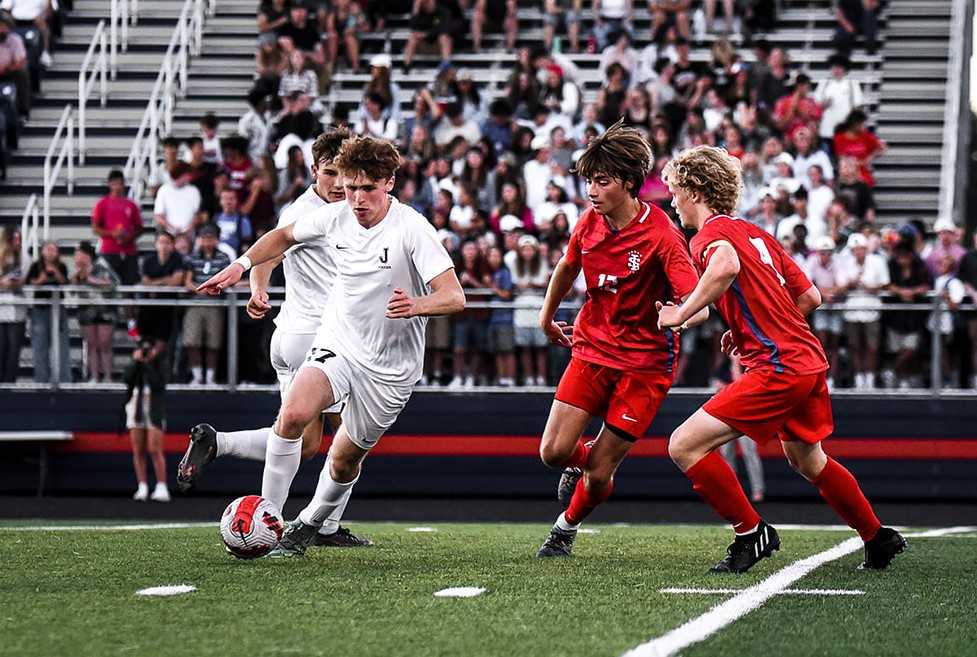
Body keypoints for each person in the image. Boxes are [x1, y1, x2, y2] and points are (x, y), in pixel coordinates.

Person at [194, 134, 465, 557]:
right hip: (337, 342)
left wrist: (417, 304)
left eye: (367, 189)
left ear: (389, 183)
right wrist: (241, 266)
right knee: (294, 414)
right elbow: (281, 237)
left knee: (342, 460)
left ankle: (313, 522)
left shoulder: (412, 228)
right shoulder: (334, 216)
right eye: (352, 186)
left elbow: (455, 296)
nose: (357, 198)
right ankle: (269, 518)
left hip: (391, 369)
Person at [657, 145, 906, 573]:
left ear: (695, 190)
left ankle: (750, 532)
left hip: (779, 367)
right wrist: (746, 328)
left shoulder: (709, 237)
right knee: (808, 460)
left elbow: (725, 267)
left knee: (683, 444)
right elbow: (810, 296)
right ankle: (876, 537)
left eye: (675, 191)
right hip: (807, 360)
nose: (673, 201)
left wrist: (680, 314)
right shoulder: (756, 233)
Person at [178, 129, 373, 546]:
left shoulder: (314, 209)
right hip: (321, 340)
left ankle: (220, 443)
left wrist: (258, 288)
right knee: (351, 433)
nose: (339, 183)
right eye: (331, 173)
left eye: (345, 174)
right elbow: (276, 245)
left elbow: (271, 249)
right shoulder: (312, 211)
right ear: (314, 170)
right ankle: (322, 526)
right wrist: (255, 282)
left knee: (302, 442)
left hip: (290, 337)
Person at [534, 120, 701, 557]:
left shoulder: (663, 234)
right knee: (554, 453)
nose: (591, 189)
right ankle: (583, 457)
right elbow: (568, 267)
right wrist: (546, 316)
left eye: (602, 181)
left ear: (630, 183)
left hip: (646, 364)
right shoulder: (589, 221)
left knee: (600, 469)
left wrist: (678, 316)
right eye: (588, 180)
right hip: (592, 347)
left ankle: (564, 529)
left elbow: (698, 301)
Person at [182, 224, 232, 385]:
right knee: (192, 340)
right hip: (195, 302)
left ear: (216, 240)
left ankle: (210, 376)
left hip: (215, 303)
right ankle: (196, 375)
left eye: (210, 238)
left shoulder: (223, 258)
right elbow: (187, 281)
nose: (207, 242)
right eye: (204, 238)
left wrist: (213, 288)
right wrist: (199, 289)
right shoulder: (192, 257)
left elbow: (227, 280)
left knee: (213, 342)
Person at [124, 338, 170, 502]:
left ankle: (161, 485)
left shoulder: (160, 364)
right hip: (136, 404)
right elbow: (127, 379)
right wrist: (137, 362)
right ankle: (142, 485)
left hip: (153, 406)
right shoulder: (136, 365)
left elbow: (158, 383)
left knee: (154, 448)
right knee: (138, 449)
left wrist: (147, 363)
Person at [71, 241, 120, 384]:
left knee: (104, 343)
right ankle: (94, 377)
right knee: (92, 344)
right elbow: (72, 290)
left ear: (88, 255)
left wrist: (92, 280)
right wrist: (76, 279)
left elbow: (114, 283)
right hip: (87, 311)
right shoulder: (77, 270)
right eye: (76, 254)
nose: (78, 257)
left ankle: (108, 377)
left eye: (80, 254)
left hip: (105, 310)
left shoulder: (102, 264)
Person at [26, 240, 70, 383]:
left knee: (61, 346)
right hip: (40, 309)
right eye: (48, 249)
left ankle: (63, 379)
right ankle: (41, 380)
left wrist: (56, 272)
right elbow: (29, 282)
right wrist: (41, 279)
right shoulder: (35, 266)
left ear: (57, 253)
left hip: (58, 310)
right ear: (42, 251)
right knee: (40, 346)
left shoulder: (62, 266)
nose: (51, 252)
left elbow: (65, 282)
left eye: (54, 249)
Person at [0, 225, 25, 382]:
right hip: (1, 308)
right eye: (15, 238)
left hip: (17, 310)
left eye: (19, 238)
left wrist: (14, 284)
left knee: (14, 350)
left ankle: (10, 383)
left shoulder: (23, 257)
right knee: (1, 348)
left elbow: (25, 280)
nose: (18, 241)